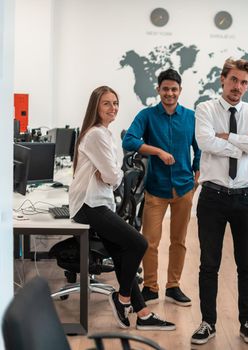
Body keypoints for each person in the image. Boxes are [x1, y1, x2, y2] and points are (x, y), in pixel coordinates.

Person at [69, 86, 175, 330]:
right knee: (139, 243)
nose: (113, 108)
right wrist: (111, 174)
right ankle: (121, 299)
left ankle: (144, 315)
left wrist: (110, 174)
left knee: (120, 254)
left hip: (98, 201)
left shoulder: (103, 133)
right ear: (95, 106)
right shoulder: (96, 135)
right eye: (106, 103)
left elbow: (110, 175)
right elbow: (113, 177)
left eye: (115, 103)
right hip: (89, 204)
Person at [191, 58, 248, 345]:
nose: (238, 87)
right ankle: (207, 323)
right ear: (223, 80)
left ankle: (247, 321)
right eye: (234, 80)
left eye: (244, 82)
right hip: (213, 196)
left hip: (246, 198)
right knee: (208, 264)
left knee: (247, 265)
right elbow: (205, 142)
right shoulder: (205, 108)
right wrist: (242, 145)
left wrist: (227, 138)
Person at [122, 68, 200, 306]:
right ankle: (151, 287)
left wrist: (197, 173)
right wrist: (156, 151)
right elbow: (129, 140)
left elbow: (200, 148)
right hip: (155, 189)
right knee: (149, 241)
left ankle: (174, 286)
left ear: (180, 91)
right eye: (165, 89)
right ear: (158, 89)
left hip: (184, 188)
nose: (169, 93)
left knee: (179, 240)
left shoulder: (190, 117)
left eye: (174, 89)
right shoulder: (146, 116)